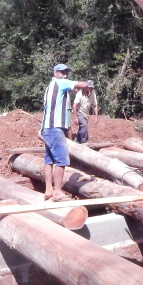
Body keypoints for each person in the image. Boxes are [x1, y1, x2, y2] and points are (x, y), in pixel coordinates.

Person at [41, 64, 89, 200]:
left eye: (66, 72)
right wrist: (87, 85)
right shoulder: (60, 82)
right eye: (62, 72)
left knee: (49, 159)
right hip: (55, 128)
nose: (65, 75)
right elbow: (82, 83)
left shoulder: (51, 86)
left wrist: (73, 89)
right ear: (56, 73)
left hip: (46, 128)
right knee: (61, 160)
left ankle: (48, 190)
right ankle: (57, 192)